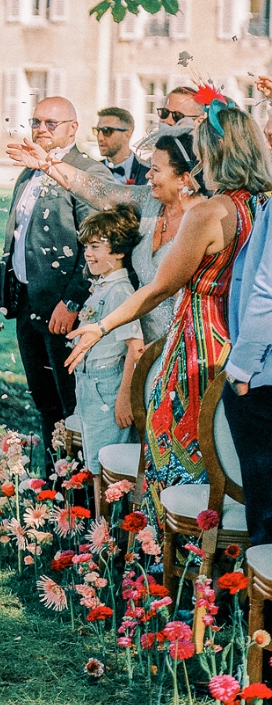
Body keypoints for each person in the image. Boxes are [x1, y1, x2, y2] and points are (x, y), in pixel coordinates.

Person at [67, 95, 272, 497]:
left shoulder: (207, 214)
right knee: (227, 468)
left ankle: (164, 553)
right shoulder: (260, 204)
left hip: (195, 348)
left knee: (174, 461)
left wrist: (102, 325)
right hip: (237, 345)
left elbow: (160, 287)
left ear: (211, 154)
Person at [7, 128, 198, 346]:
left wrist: (103, 326)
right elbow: (101, 192)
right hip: (140, 340)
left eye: (155, 169)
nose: (148, 175)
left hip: (186, 342)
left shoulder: (203, 218)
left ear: (183, 178)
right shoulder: (149, 201)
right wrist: (48, 165)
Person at [0, 96, 95, 462]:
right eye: (36, 122)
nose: (41, 130)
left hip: (64, 309)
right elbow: (16, 236)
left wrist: (73, 301)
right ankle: (54, 487)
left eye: (51, 123)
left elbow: (100, 244)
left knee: (71, 405)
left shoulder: (88, 172)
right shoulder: (28, 172)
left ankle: (78, 497)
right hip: (26, 302)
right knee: (44, 403)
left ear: (72, 129)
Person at [72, 206, 145, 511]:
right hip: (90, 387)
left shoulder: (120, 293)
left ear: (118, 253)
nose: (87, 254)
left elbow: (135, 346)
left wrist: (125, 397)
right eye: (86, 247)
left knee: (106, 469)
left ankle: (108, 538)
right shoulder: (102, 287)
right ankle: (97, 535)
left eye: (95, 247)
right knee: (93, 465)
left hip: (109, 389)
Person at [222, 177, 272, 549]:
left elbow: (267, 291)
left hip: (263, 373)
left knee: (267, 516)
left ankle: (261, 603)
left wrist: (242, 367)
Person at [93, 106, 147, 186]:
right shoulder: (92, 170)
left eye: (107, 131)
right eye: (97, 131)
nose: (100, 138)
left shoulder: (147, 172)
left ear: (127, 134)